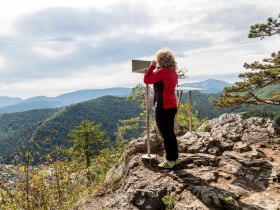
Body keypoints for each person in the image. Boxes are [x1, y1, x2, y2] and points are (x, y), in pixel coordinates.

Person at [144, 48, 180, 169]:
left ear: (160, 60)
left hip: (163, 106)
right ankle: (175, 158)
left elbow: (147, 79)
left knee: (166, 134)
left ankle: (170, 160)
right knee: (171, 133)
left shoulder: (162, 72)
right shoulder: (173, 72)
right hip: (172, 105)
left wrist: (151, 67)